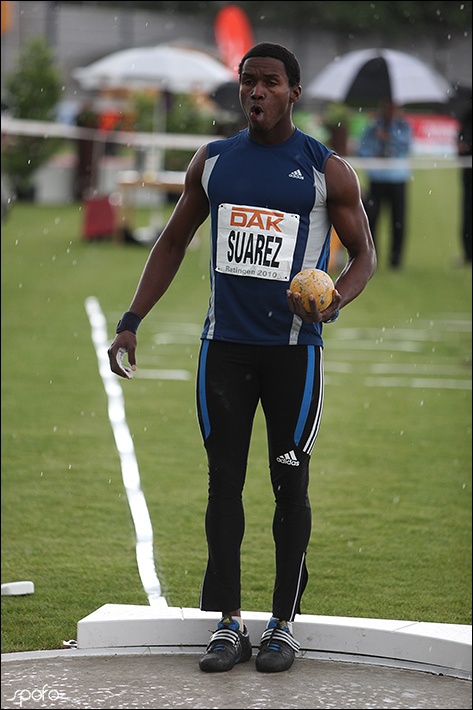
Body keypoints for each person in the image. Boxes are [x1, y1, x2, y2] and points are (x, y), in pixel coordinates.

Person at [108, 42, 376, 674]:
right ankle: (227, 624)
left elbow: (364, 253)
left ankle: (282, 625)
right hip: (222, 352)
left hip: (293, 355)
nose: (255, 91)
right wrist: (130, 321)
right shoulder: (215, 162)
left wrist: (334, 299)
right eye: (247, 81)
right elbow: (173, 241)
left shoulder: (324, 169)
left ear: (294, 93)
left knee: (290, 486)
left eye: (269, 82)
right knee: (223, 487)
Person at [358, 100, 412, 269]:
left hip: (397, 178)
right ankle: (372, 258)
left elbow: (406, 146)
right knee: (372, 220)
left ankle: (396, 260)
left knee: (399, 220)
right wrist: (372, 155)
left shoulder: (403, 126)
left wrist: (389, 136)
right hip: (378, 178)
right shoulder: (372, 126)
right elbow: (362, 150)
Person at [457, 106, 472, 265]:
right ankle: (468, 253)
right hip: (468, 177)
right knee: (467, 215)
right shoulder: (466, 117)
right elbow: (460, 141)